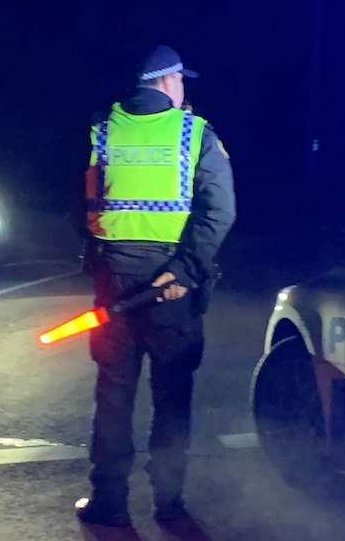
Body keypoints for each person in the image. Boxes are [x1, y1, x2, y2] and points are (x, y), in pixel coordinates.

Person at [77, 45, 236, 529]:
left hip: (115, 285)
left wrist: (104, 264)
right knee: (171, 398)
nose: (184, 88)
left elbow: (83, 206)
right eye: (181, 80)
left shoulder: (102, 131)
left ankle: (109, 503)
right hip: (173, 289)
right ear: (167, 82)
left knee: (114, 395)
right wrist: (185, 272)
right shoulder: (194, 133)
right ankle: (168, 503)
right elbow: (220, 211)